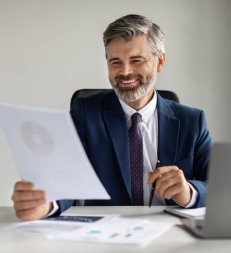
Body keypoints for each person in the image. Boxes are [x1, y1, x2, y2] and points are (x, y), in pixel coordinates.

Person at [12, 14, 212, 221]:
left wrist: (188, 192)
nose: (125, 72)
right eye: (115, 62)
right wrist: (46, 204)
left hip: (170, 231)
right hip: (105, 231)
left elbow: (218, 186)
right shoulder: (85, 113)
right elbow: (67, 178)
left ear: (159, 62)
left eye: (136, 60)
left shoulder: (192, 121)